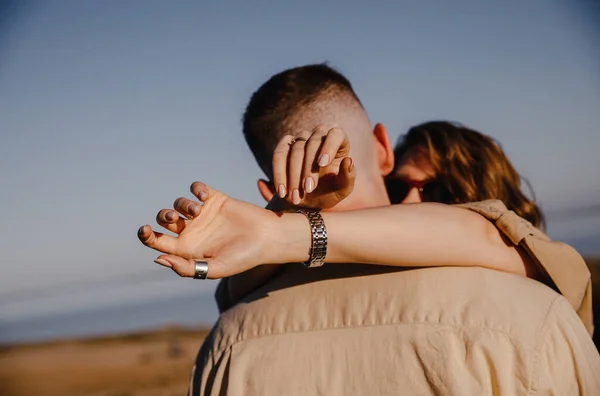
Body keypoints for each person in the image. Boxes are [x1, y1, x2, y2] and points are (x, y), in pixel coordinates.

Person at [138, 64, 599, 394]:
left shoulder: (224, 346)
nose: (416, 202)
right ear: (382, 146)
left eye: (433, 191)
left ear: (265, 189)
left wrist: (279, 228)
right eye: (408, 188)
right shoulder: (531, 312)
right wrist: (276, 233)